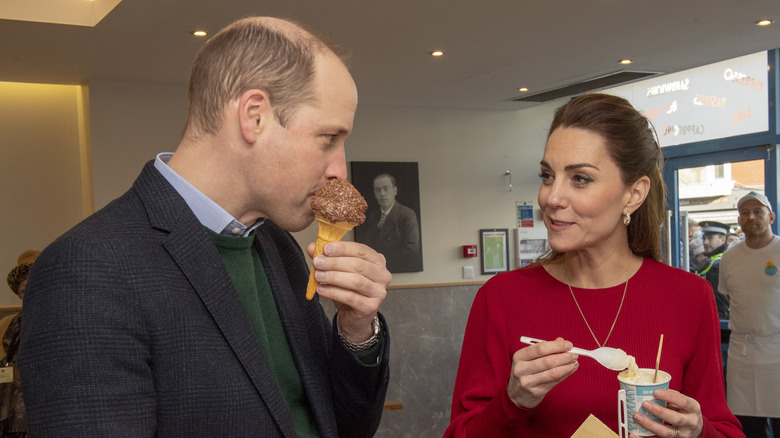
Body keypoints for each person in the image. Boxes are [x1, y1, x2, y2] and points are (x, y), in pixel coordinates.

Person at [19, 17, 391, 437]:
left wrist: (357, 330)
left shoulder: (280, 248)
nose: (340, 170)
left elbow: (346, 426)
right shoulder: (86, 269)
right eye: (328, 139)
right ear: (254, 116)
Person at [446, 93, 742, 437]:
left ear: (633, 195)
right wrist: (513, 400)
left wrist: (698, 430)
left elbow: (725, 429)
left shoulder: (688, 296)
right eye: (547, 175)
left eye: (580, 179)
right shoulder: (502, 297)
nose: (551, 198)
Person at [719, 191, 780, 437]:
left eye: (757, 211)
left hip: (776, 349)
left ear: (771, 217)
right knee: (745, 425)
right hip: (741, 352)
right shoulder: (729, 256)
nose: (750, 217)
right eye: (745, 212)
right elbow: (733, 297)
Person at [2, 249, 39, 438]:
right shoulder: (7, 326)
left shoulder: (64, 321)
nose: (30, 294)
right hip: (10, 412)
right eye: (24, 290)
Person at [361, 173, 422, 272]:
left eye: (386, 189)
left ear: (395, 191)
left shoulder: (407, 215)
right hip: (376, 271)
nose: (382, 194)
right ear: (375, 194)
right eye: (378, 190)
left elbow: (412, 249)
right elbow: (369, 246)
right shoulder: (373, 217)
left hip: (398, 269)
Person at [694, 221, 731, 319]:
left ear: (723, 240)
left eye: (710, 238)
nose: (705, 242)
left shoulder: (722, 262)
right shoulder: (709, 260)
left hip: (719, 317)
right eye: (704, 238)